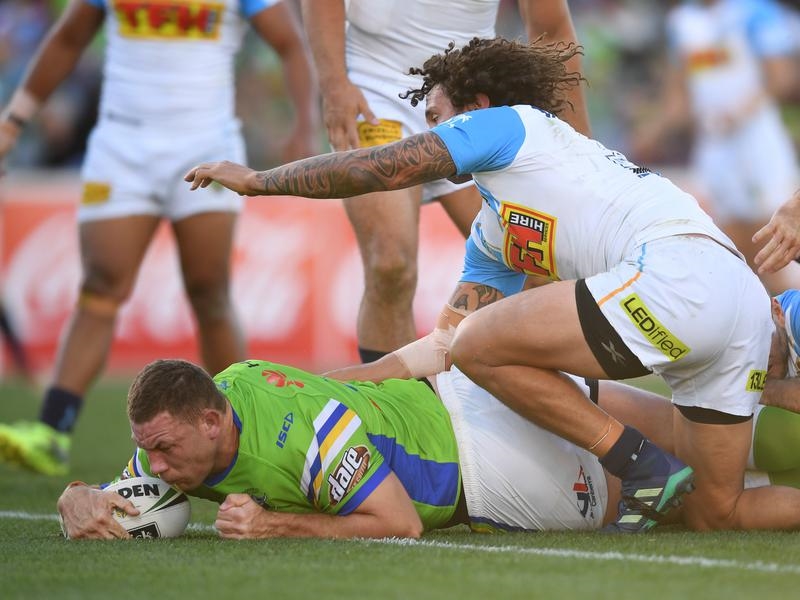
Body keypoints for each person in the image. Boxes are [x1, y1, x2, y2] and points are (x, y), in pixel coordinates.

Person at [184, 36, 800, 534]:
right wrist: (333, 385)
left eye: (435, 118)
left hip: (679, 274)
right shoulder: (495, 229)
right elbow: (444, 345)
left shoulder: (512, 125)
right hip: (734, 306)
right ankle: (651, 468)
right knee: (716, 511)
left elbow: (382, 168)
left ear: (475, 106)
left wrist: (262, 180)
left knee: (483, 345)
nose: (428, 131)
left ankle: (637, 463)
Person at [0, 0, 320, 476]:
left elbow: (291, 43)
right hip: (122, 146)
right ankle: (52, 431)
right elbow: (68, 38)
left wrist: (304, 128)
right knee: (101, 285)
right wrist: (14, 120)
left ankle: (241, 434)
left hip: (205, 144)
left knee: (209, 291)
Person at [57, 354, 800, 540]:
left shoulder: (306, 438)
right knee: (694, 431)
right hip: (465, 390)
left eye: (163, 451)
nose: (156, 469)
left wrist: (275, 524)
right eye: (149, 454)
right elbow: (126, 489)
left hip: (483, 466)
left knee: (701, 503)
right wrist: (79, 496)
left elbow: (400, 524)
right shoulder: (216, 396)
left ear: (211, 423)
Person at [299, 0, 589, 365]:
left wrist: (579, 146)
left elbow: (552, 29)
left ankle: (530, 396)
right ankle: (393, 401)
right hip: (375, 90)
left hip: (468, 96)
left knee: (535, 271)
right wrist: (334, 86)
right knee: (389, 264)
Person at [632, 0, 800, 294]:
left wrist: (739, 112)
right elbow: (679, 99)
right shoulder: (681, 23)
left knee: (775, 249)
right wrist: (650, 134)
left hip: (758, 144)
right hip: (714, 149)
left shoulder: (755, 11)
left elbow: (783, 77)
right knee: (735, 254)